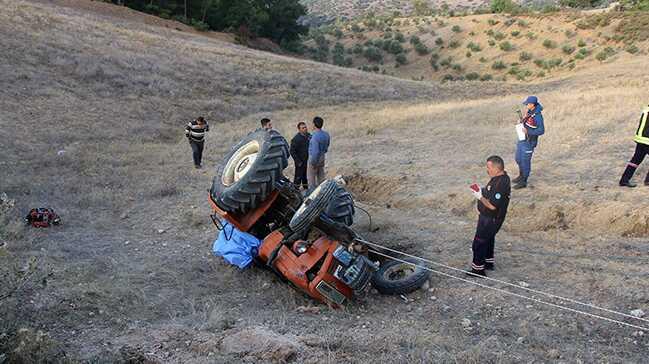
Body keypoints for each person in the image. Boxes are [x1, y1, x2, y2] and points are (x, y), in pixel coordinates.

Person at [468, 155, 511, 277]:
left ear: (497, 168)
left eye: (489, 167)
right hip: (489, 218)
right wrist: (481, 190)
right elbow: (491, 192)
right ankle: (488, 263)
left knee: (479, 242)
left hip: (490, 219)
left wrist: (479, 196)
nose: (487, 170)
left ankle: (478, 271)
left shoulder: (501, 183)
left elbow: (492, 206)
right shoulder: (498, 178)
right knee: (488, 240)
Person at [513, 96, 545, 189]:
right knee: (518, 159)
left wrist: (529, 132)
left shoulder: (538, 116)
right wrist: (521, 121)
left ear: (532, 105)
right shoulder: (530, 112)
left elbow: (541, 130)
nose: (526, 105)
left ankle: (524, 181)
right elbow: (528, 123)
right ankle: (521, 175)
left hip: (529, 142)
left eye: (527, 104)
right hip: (522, 139)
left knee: (525, 162)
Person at [619, 105, 649, 187]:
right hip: (647, 140)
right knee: (636, 159)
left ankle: (624, 180)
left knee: (635, 160)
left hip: (640, 139)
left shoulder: (646, 109)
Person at [307, 116, 330, 190]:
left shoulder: (315, 137)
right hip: (322, 156)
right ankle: (323, 192)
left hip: (314, 158)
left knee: (311, 179)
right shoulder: (326, 134)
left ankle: (312, 194)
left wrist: (313, 162)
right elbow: (327, 146)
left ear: (314, 124)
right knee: (321, 176)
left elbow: (315, 152)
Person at [290, 122, 311, 190]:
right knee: (298, 178)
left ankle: (306, 190)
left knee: (305, 177)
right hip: (300, 162)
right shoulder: (296, 139)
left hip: (307, 160)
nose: (305, 129)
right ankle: (295, 191)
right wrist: (298, 161)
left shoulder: (309, 136)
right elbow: (292, 151)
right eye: (303, 128)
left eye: (305, 127)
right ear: (299, 130)